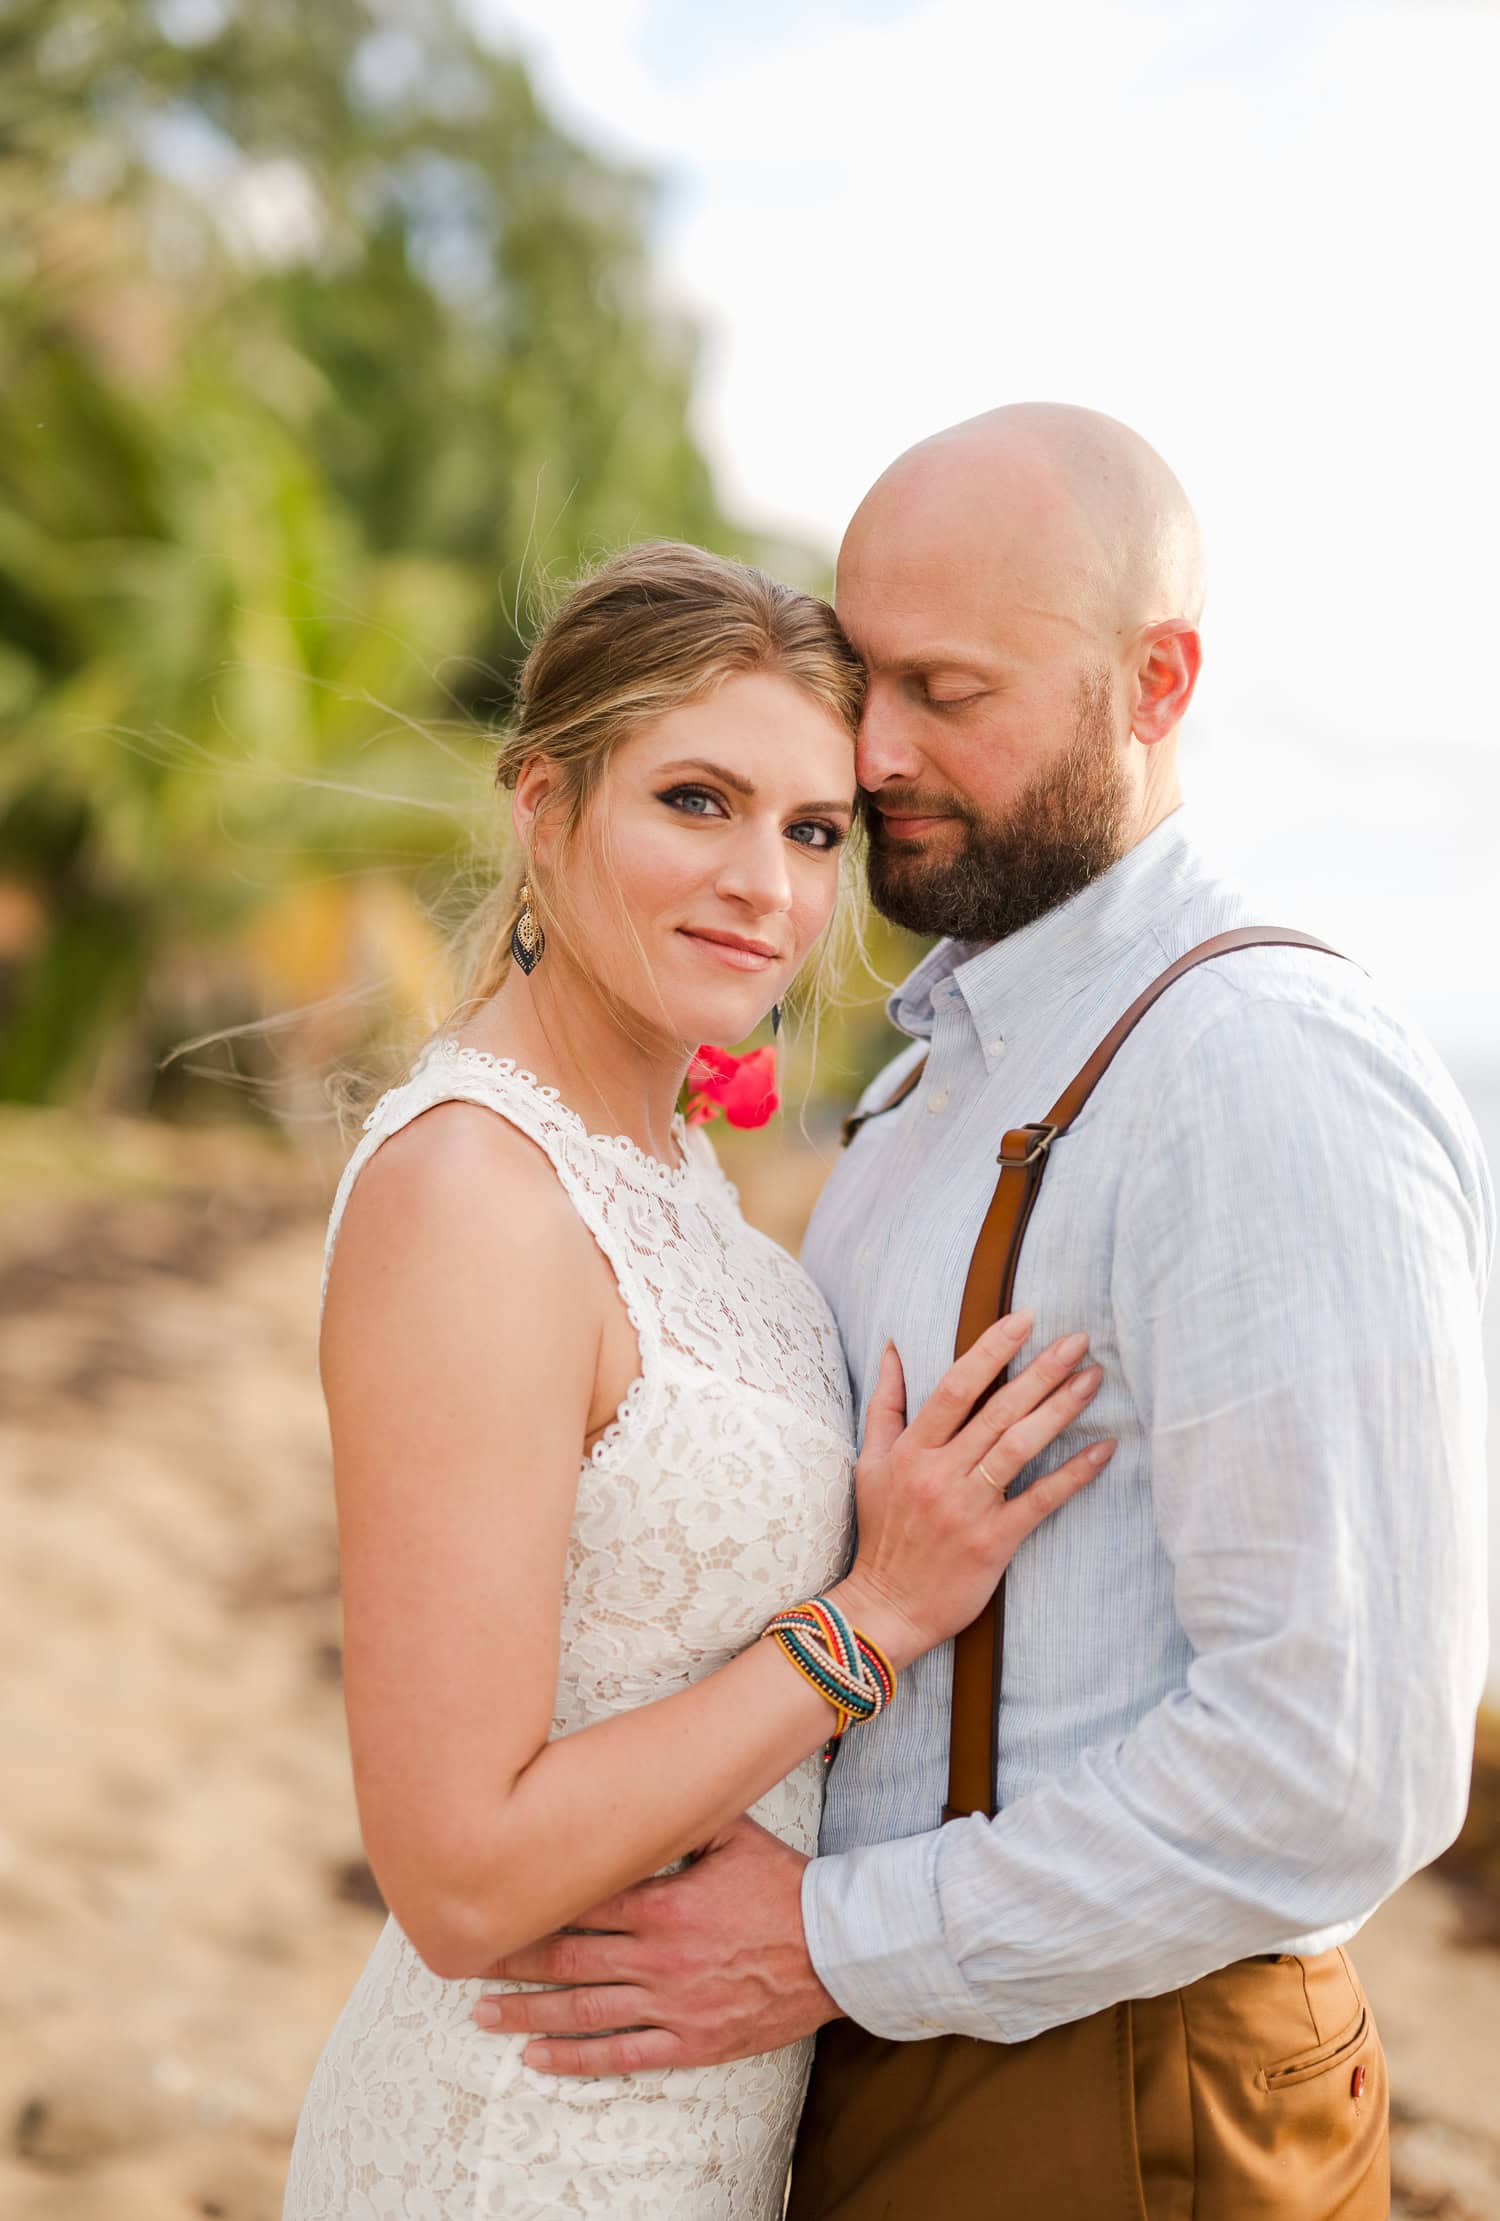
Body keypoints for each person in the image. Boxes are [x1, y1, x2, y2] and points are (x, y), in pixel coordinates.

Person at [474, 410, 1494, 2220]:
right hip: (888, 2048)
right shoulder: (940, 1068)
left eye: (948, 689)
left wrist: (831, 1940)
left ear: (1155, 683)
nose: (874, 751)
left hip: (1119, 2083)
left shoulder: (1258, 1065)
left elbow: (1343, 1763)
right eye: (865, 677)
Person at [281, 540, 1113, 2220]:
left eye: (814, 831)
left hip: (695, 2125)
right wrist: (872, 1619)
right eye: (696, 800)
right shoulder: (474, 1195)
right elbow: (458, 1870)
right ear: (544, 803)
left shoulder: (668, 1170)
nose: (767, 885)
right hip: (516, 2139)